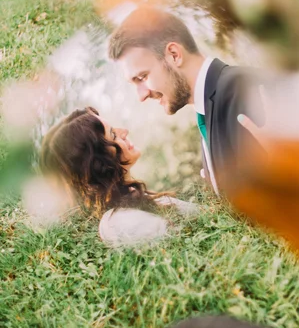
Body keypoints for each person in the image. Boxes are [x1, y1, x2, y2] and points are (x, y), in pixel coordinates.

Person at [108, 5, 265, 195]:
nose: (141, 96)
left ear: (174, 55)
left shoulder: (241, 88)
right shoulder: (208, 109)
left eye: (142, 77)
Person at [40, 106, 198, 248]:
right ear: (99, 162)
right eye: (113, 135)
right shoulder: (118, 222)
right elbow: (188, 240)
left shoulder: (139, 202)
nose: (125, 131)